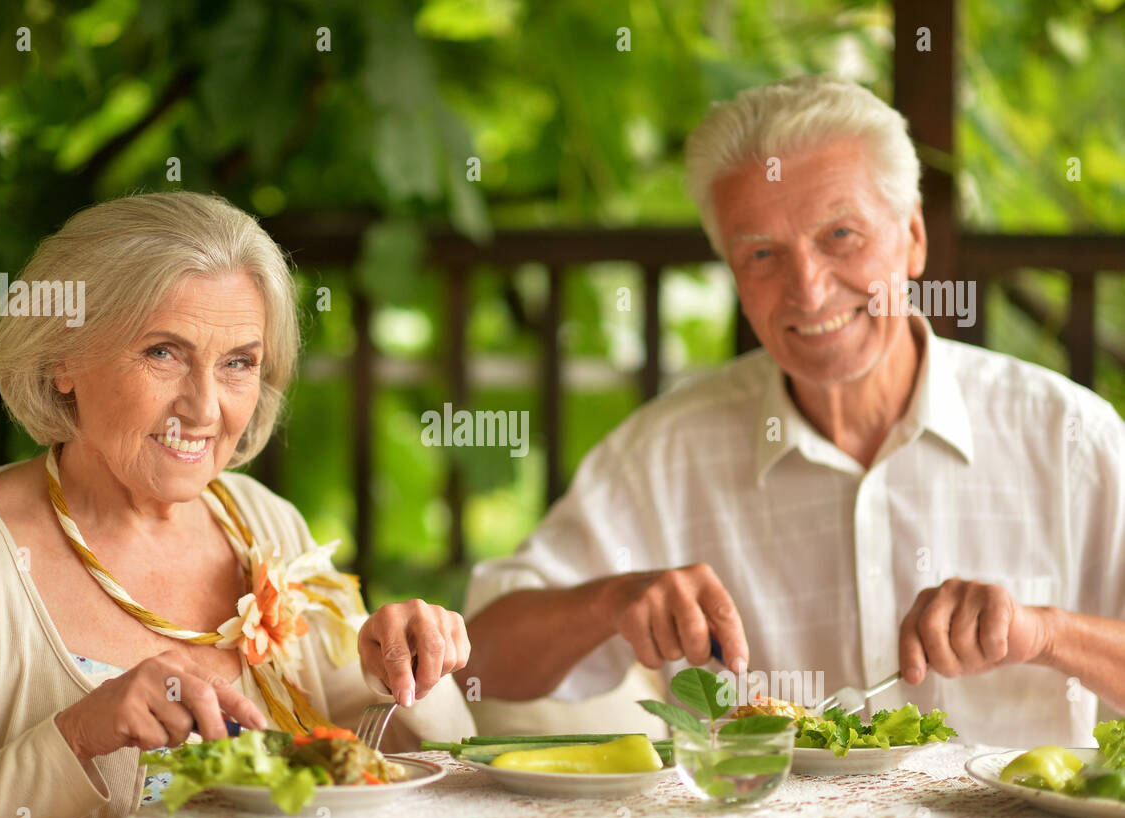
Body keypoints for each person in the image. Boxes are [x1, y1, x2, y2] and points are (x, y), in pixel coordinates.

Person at [461, 75, 1125, 748]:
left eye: (841, 234)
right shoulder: (666, 452)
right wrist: (607, 602)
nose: (808, 290)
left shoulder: (1071, 437)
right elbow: (477, 663)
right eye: (762, 254)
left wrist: (1047, 633)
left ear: (915, 238)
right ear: (733, 275)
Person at [0, 191, 474, 818]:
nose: (203, 406)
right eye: (164, 352)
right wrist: (77, 736)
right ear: (62, 359)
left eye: (238, 362)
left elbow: (413, 779)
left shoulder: (265, 524)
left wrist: (407, 670)